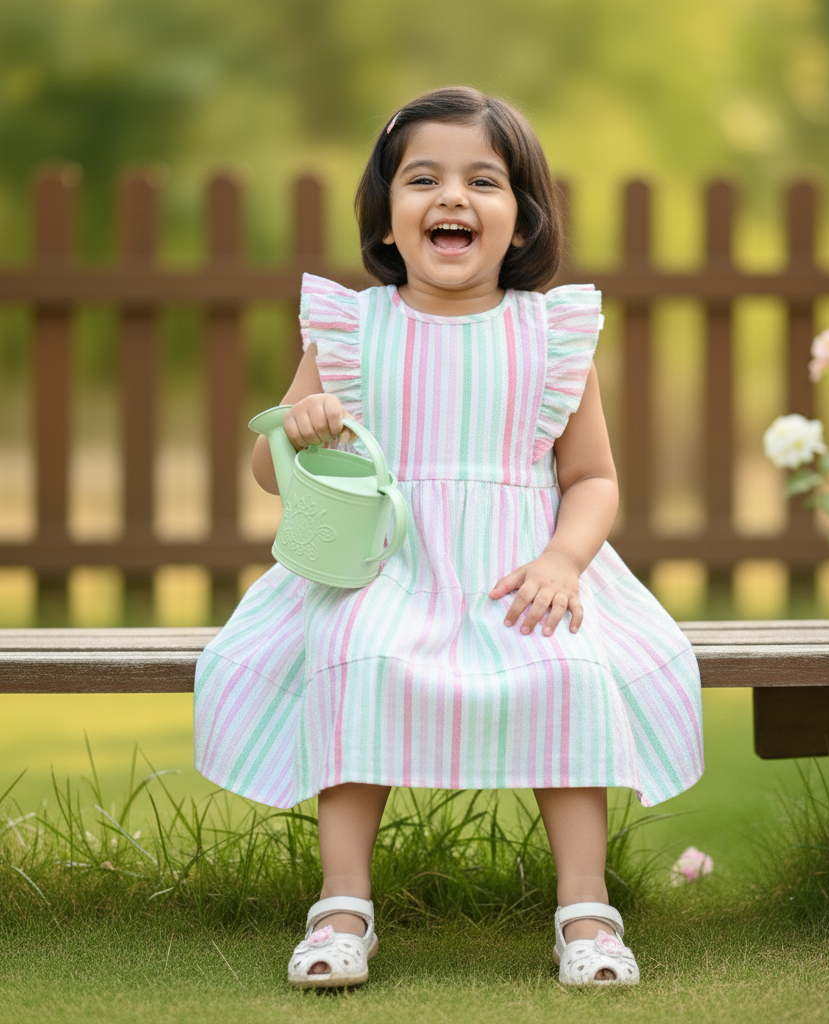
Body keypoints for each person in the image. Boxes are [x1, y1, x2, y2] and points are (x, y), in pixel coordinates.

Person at [193, 86, 703, 989]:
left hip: (519, 573)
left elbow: (591, 478)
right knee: (356, 655)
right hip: (383, 574)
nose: (453, 197)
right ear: (388, 219)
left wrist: (563, 559)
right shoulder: (352, 330)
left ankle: (586, 911)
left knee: (566, 671)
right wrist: (299, 432)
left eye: (484, 180)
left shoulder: (550, 336)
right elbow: (275, 479)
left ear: (522, 219)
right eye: (423, 178)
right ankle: (343, 906)